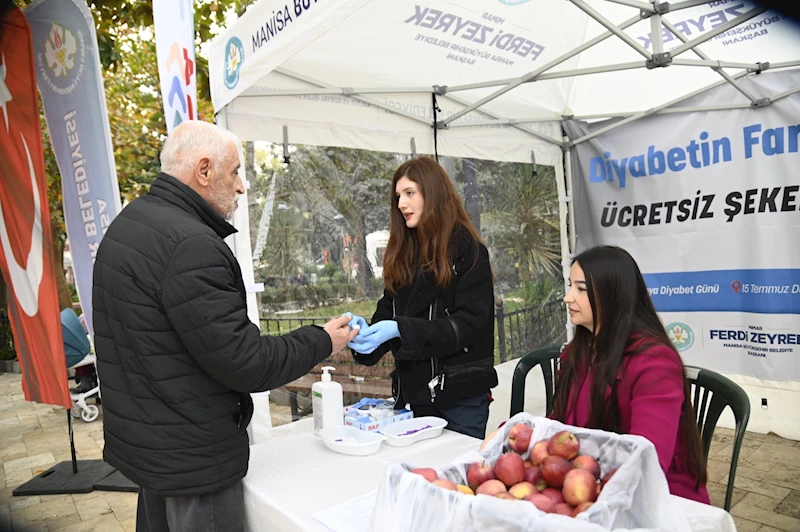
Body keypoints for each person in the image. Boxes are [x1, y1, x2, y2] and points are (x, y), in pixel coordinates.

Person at [92, 121, 357, 532]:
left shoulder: (130, 224)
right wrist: (322, 339)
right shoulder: (191, 245)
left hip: (152, 450)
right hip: (194, 459)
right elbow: (245, 361)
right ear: (203, 170)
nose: (241, 186)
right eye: (234, 172)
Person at [346, 157, 497, 439]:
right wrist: (363, 337)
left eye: (410, 193)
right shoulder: (402, 255)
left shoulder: (469, 251)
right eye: (398, 196)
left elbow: (467, 326)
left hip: (460, 399)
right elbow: (387, 313)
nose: (401, 204)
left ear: (434, 193)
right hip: (413, 400)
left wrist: (401, 329)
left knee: (453, 481)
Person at [554, 245, 709, 504]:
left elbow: (648, 459)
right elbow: (558, 425)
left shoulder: (654, 362)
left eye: (580, 289)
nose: (568, 297)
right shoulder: (577, 352)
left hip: (658, 498)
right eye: (570, 286)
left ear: (611, 295)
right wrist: (518, 436)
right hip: (588, 486)